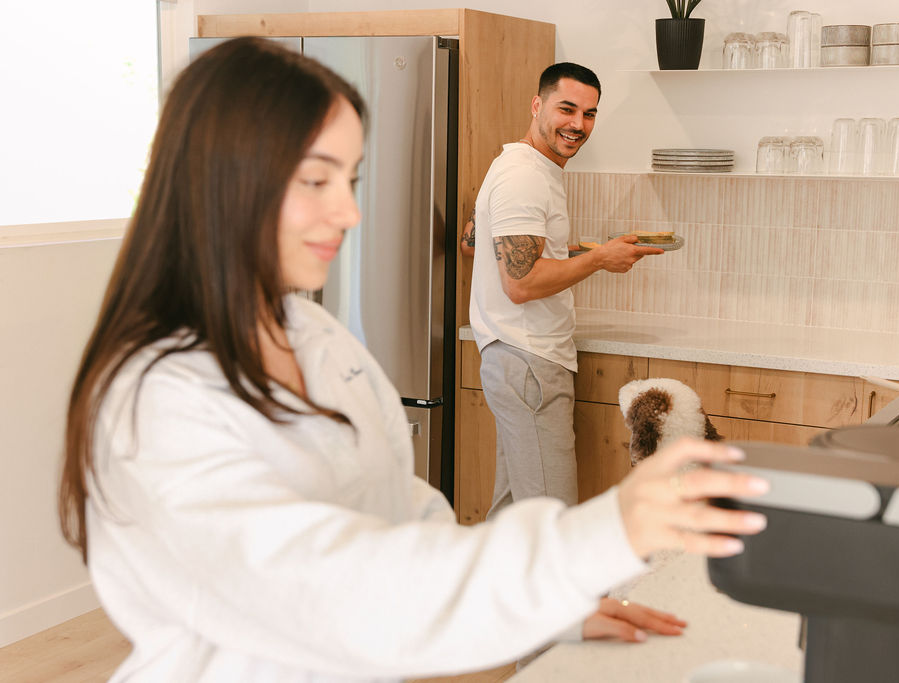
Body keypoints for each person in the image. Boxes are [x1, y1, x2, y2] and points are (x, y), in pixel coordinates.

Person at [57, 38, 770, 682]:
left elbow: (404, 514)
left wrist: (548, 607)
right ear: (221, 179)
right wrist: (604, 532)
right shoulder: (161, 395)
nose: (350, 212)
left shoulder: (315, 336)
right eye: (316, 179)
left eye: (353, 179)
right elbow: (325, 585)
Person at [469, 63, 663, 519]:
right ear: (537, 105)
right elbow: (520, 283)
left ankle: (491, 592)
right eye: (567, 109)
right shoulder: (525, 176)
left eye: (590, 113)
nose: (578, 124)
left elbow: (474, 239)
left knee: (515, 513)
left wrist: (574, 249)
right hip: (529, 359)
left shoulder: (519, 164)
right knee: (550, 519)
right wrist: (598, 260)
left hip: (515, 356)